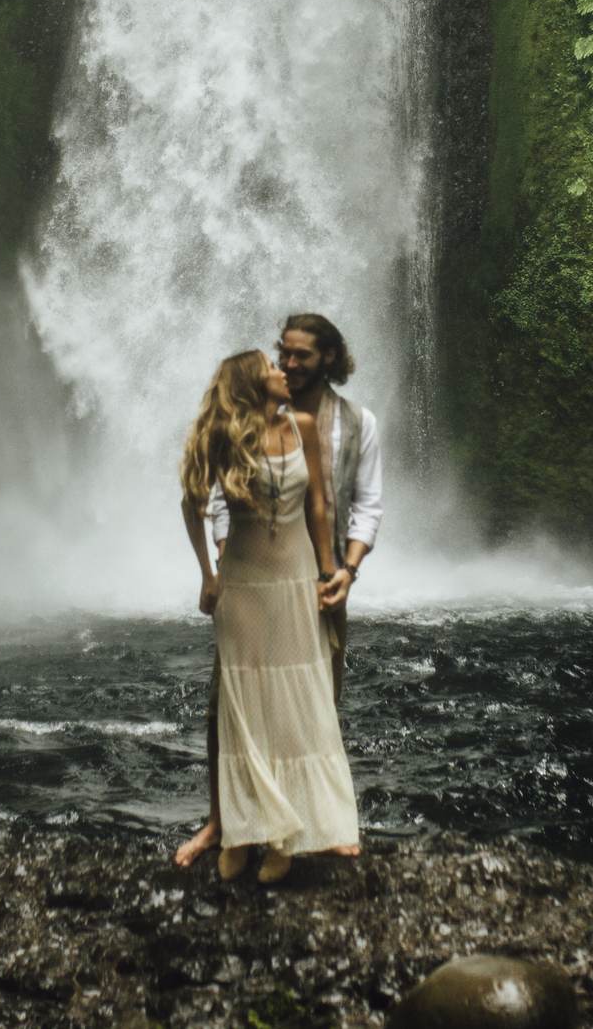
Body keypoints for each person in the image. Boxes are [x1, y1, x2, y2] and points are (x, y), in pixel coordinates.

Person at [176, 313, 382, 868]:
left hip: (317, 576)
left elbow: (364, 506)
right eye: (280, 354)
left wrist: (340, 571)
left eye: (301, 357)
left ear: (330, 360)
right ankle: (225, 823)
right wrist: (217, 562)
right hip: (248, 578)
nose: (288, 364)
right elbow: (207, 498)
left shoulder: (352, 423)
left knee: (312, 699)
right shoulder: (236, 427)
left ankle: (311, 822)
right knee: (231, 702)